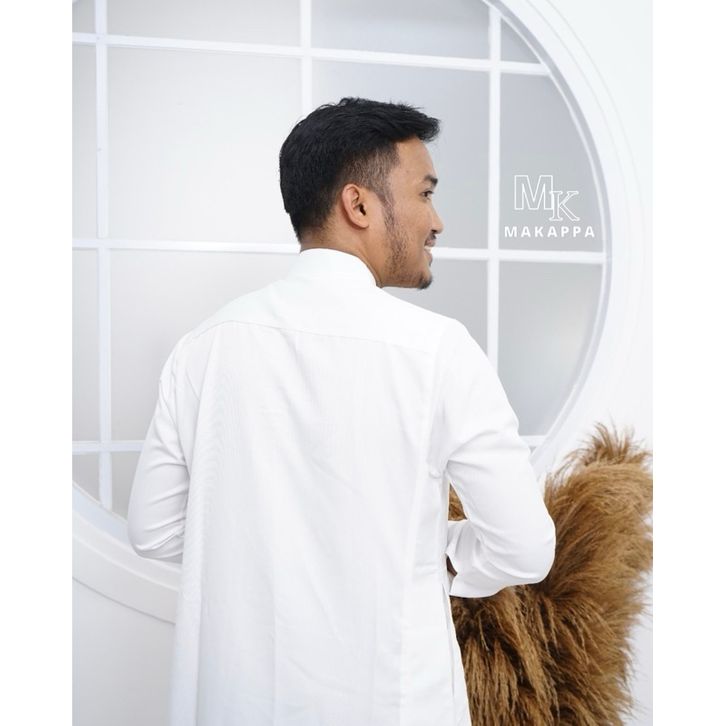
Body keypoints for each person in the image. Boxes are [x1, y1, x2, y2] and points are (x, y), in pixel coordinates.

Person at [127, 97, 556, 726]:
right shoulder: (438, 351)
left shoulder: (204, 348)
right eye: (425, 193)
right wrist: (436, 550)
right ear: (358, 205)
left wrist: (259, 545)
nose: (436, 221)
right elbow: (523, 546)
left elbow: (154, 531)